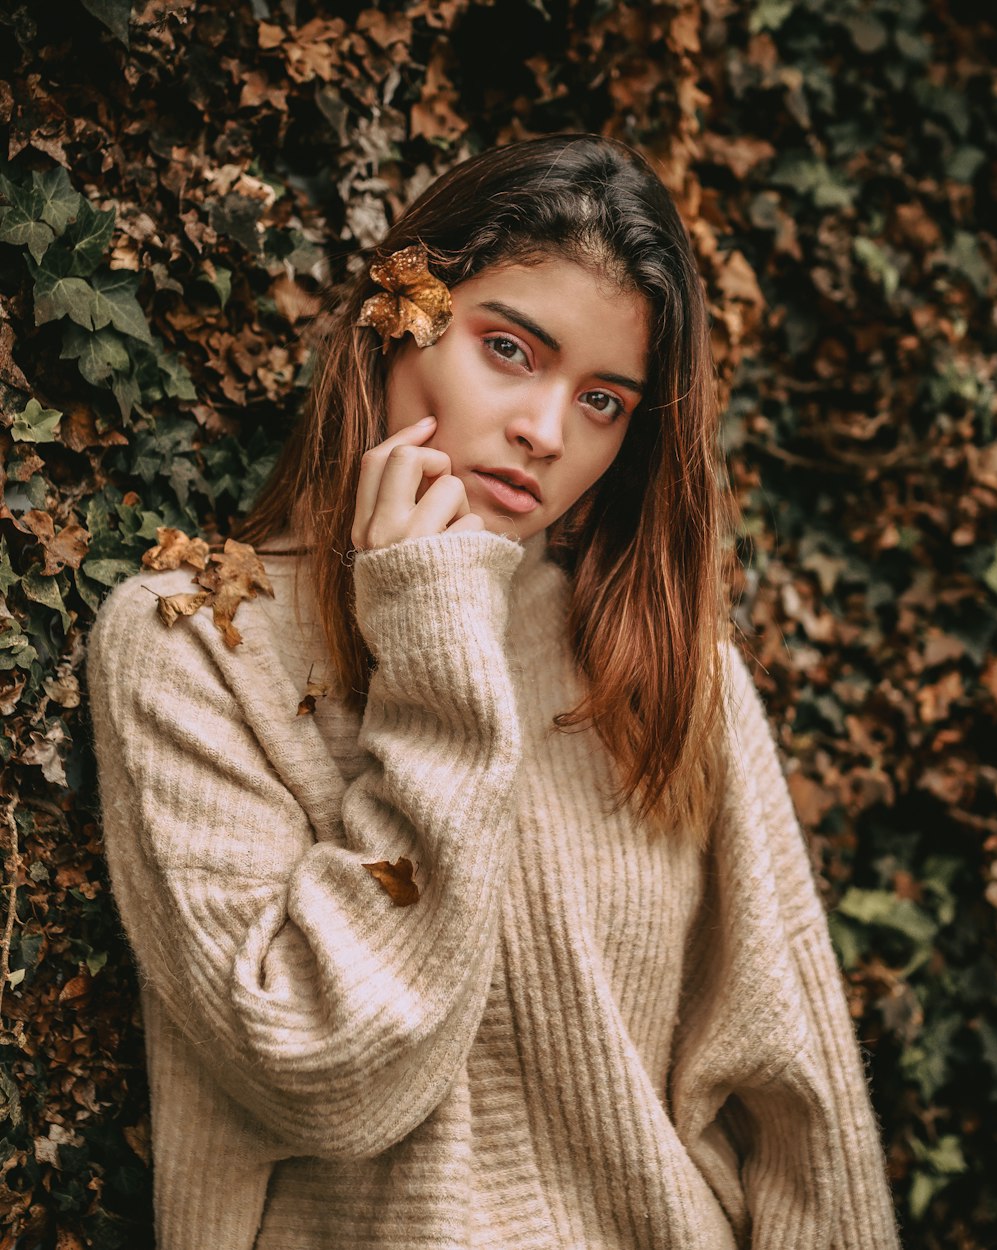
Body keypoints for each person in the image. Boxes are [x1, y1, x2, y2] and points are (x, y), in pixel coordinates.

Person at [85, 134, 901, 1249]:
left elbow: (802, 1105)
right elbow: (326, 1074)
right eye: (510, 347)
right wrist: (433, 662)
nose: (547, 431)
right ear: (397, 313)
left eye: (605, 400)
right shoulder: (193, 644)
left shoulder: (661, 661)